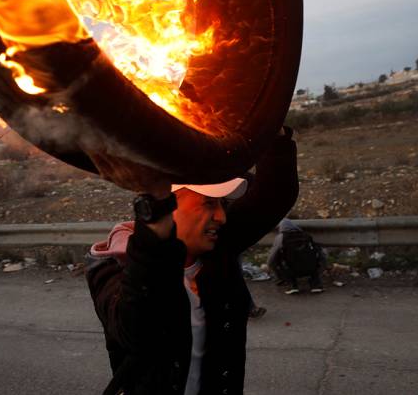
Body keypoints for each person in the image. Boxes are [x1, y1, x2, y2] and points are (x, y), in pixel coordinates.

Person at [86, 129, 298, 395]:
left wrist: (273, 131)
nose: (221, 216)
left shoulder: (216, 252)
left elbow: (273, 195)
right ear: (167, 204)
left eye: (222, 204)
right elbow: (137, 330)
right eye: (208, 204)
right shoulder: (114, 264)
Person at [268, 218, 326, 294]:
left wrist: (278, 276)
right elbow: (320, 254)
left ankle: (292, 285)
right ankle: (315, 284)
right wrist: (320, 268)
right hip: (311, 269)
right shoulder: (306, 235)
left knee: (277, 258)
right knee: (316, 255)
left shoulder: (281, 237)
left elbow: (272, 259)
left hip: (292, 271)